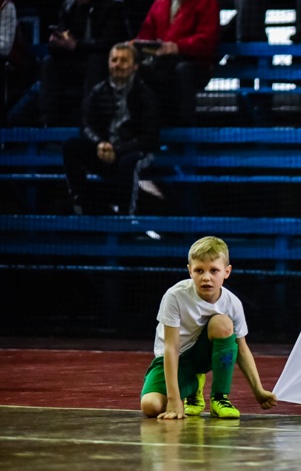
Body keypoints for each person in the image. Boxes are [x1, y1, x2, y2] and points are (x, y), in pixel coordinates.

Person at [140, 236, 279, 419]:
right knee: (150, 406)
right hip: (175, 359)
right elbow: (171, 348)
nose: (206, 277)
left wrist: (258, 390)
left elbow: (242, 349)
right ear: (190, 271)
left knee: (222, 323)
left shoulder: (232, 303)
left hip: (203, 356)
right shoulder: (175, 296)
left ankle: (220, 397)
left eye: (214, 270)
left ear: (227, 272)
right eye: (199, 270)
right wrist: (174, 400)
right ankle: (193, 386)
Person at [62, 42, 159, 215]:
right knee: (71, 146)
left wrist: (118, 150)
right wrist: (100, 143)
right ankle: (81, 205)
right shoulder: (98, 91)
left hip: (134, 152)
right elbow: (86, 124)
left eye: (123, 60)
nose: (118, 64)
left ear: (135, 66)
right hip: (105, 151)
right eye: (114, 60)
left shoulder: (145, 94)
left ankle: (125, 217)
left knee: (129, 162)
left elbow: (148, 137)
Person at [40, 0, 131, 127]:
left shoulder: (114, 5)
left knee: (95, 60)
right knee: (49, 63)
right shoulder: (69, 6)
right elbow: (62, 42)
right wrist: (56, 43)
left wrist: (76, 46)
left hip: (105, 62)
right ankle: (48, 122)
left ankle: (88, 121)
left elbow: (108, 44)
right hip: (76, 60)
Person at [135, 0, 219, 125]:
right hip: (163, 60)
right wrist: (140, 45)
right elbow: (147, 31)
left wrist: (178, 47)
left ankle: (185, 126)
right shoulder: (161, 0)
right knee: (141, 70)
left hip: (194, 63)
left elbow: (207, 39)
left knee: (181, 71)